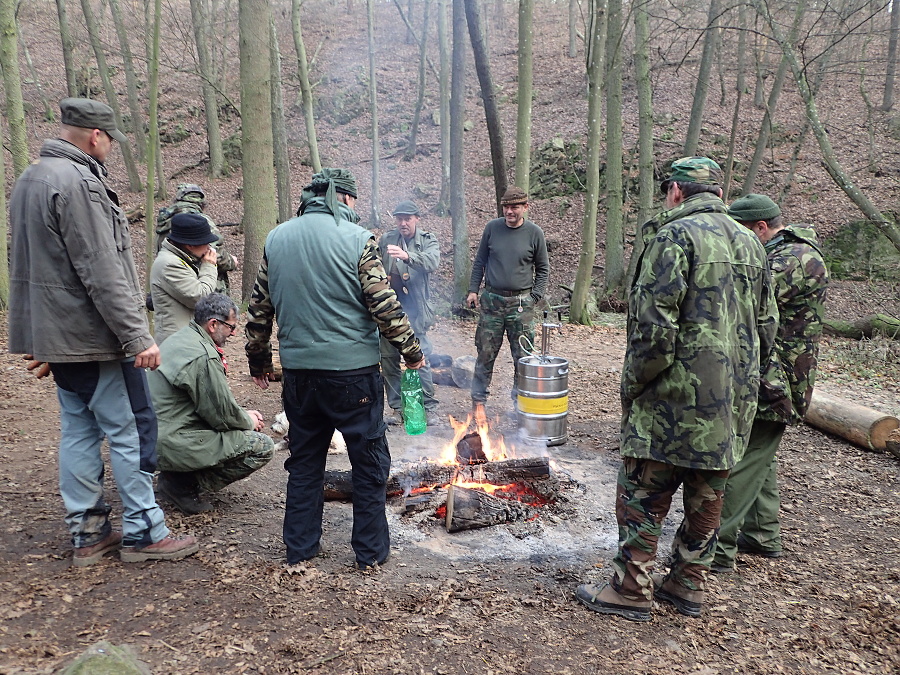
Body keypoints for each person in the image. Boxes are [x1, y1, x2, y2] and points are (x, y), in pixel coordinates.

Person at [575, 157, 778, 621]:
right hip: (729, 402)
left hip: (672, 401)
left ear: (675, 192)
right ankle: (687, 584)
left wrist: (633, 386)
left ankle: (631, 589)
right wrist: (743, 381)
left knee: (644, 493)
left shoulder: (674, 237)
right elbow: (768, 325)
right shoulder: (752, 242)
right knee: (708, 497)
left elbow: (653, 329)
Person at [7, 97, 198, 566]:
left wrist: (44, 337)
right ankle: (144, 531)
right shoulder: (79, 183)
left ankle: (88, 532)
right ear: (97, 135)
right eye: (111, 140)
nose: (111, 149)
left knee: (77, 428)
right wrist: (138, 336)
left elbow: (33, 267)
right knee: (132, 428)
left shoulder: (29, 179)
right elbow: (102, 270)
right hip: (95, 339)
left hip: (63, 338)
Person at [245, 168, 424, 570]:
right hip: (352, 376)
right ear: (342, 198)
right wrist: (412, 352)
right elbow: (384, 306)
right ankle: (370, 553)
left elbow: (259, 308)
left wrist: (258, 359)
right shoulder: (359, 240)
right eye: (354, 202)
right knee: (368, 462)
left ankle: (300, 549)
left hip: (299, 375)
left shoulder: (277, 238)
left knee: (305, 463)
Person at [712, 194, 829, 572]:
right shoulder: (785, 252)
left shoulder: (792, 259)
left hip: (776, 377)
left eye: (742, 234)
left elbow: (742, 299)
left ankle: (718, 548)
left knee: (744, 458)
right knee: (761, 452)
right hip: (774, 371)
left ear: (761, 228)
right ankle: (762, 534)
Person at [148, 293, 275, 515]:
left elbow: (209, 403)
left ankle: (175, 475)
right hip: (168, 440)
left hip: (153, 433)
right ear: (213, 324)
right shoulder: (203, 355)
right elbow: (221, 415)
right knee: (262, 446)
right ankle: (182, 486)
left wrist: (241, 415)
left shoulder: (183, 337)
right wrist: (248, 420)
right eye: (231, 326)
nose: (234, 332)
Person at [467, 187, 549, 412]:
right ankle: (479, 404)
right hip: (492, 301)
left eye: (514, 207)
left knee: (522, 357)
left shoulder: (534, 233)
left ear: (525, 208)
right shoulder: (492, 228)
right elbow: (480, 261)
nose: (509, 211)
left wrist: (535, 296)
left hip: (521, 305)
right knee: (485, 353)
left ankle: (519, 405)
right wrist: (473, 289)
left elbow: (543, 269)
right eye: (506, 207)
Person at [379, 200, 440, 426]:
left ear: (417, 219)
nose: (403, 223)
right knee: (388, 359)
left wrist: (407, 257)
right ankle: (397, 408)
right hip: (388, 310)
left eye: (408, 218)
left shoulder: (426, 240)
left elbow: (432, 262)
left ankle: (429, 407)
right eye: (399, 219)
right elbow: (373, 264)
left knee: (420, 356)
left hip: (415, 310)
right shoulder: (386, 239)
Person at [155, 183, 237, 294]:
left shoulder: (165, 221)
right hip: (202, 285)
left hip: (173, 286)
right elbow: (213, 254)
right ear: (201, 202)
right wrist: (232, 262)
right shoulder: (198, 221)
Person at [150, 213, 219, 345]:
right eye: (205, 243)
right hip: (177, 345)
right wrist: (209, 266)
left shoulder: (181, 259)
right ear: (190, 245)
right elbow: (201, 298)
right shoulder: (170, 264)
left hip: (184, 340)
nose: (209, 248)